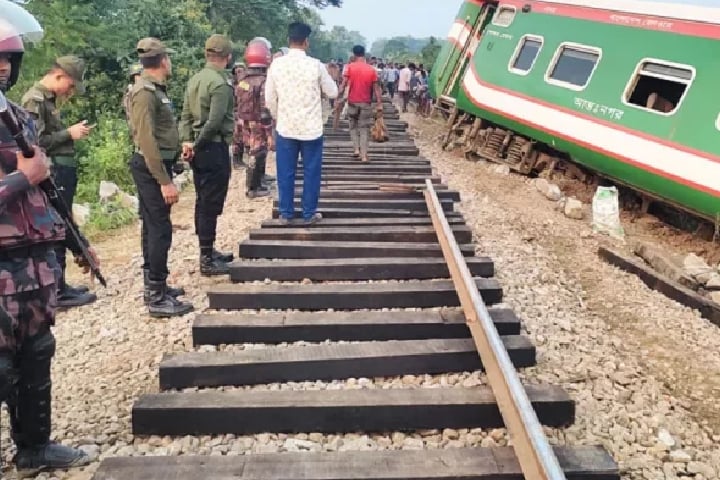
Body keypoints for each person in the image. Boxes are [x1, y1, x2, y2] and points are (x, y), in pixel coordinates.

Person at [0, 29, 95, 475]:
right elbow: (29, 178)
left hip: (34, 261)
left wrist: (74, 241)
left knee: (37, 353)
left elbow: (46, 191)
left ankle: (34, 448)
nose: (3, 68)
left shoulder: (20, 117)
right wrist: (22, 177)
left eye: (9, 61)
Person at [21, 56, 96, 309]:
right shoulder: (35, 100)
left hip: (60, 170)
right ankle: (58, 291)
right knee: (59, 225)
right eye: (71, 84)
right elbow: (35, 143)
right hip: (50, 173)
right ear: (59, 75)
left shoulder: (48, 100)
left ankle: (62, 285)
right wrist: (69, 134)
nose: (70, 91)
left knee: (63, 223)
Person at [129, 37, 193, 317]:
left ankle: (156, 285)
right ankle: (156, 295)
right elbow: (146, 140)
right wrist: (164, 181)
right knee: (159, 229)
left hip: (156, 165)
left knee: (153, 226)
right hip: (150, 167)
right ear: (163, 60)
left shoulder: (154, 90)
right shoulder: (144, 92)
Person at [265, 21, 337, 225]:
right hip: (311, 129)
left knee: (285, 172)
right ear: (306, 42)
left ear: (289, 41)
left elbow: (269, 98)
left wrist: (278, 115)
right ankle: (308, 214)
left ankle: (286, 213)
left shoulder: (277, 65)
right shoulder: (315, 65)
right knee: (311, 172)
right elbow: (333, 92)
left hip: (286, 127)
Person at [179, 34, 235, 276]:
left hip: (198, 149)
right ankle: (206, 258)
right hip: (213, 148)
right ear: (228, 57)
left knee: (203, 200)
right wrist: (198, 144)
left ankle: (208, 251)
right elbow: (214, 122)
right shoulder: (220, 84)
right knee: (210, 203)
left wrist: (187, 143)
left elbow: (184, 117)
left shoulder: (195, 80)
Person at [234, 38, 274, 199]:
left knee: (255, 151)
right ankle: (252, 187)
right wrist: (269, 130)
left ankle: (259, 180)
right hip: (258, 122)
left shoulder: (242, 79)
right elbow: (265, 106)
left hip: (244, 121)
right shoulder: (264, 81)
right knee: (257, 152)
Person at [337, 45, 383, 163]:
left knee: (352, 126)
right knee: (364, 129)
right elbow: (376, 88)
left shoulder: (350, 68)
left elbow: (343, 84)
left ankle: (356, 149)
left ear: (354, 54)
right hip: (366, 103)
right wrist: (379, 103)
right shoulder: (371, 69)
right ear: (364, 54)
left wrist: (338, 97)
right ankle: (364, 155)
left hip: (352, 102)